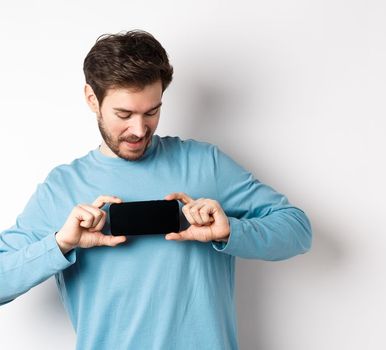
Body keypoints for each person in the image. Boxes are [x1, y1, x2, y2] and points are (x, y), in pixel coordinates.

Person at [0, 29, 312, 349]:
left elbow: (299, 230)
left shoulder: (207, 164)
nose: (139, 130)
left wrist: (230, 231)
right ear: (92, 99)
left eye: (152, 112)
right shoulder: (62, 188)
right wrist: (60, 244)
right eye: (125, 114)